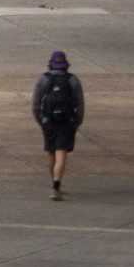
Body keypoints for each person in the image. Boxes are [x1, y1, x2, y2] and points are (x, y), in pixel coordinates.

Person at [32, 49, 85, 199]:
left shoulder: (44, 79)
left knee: (51, 152)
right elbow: (80, 104)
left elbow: (36, 103)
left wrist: (40, 120)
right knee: (61, 153)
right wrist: (77, 121)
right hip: (66, 122)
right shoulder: (72, 80)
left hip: (48, 122)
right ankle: (57, 183)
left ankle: (54, 184)